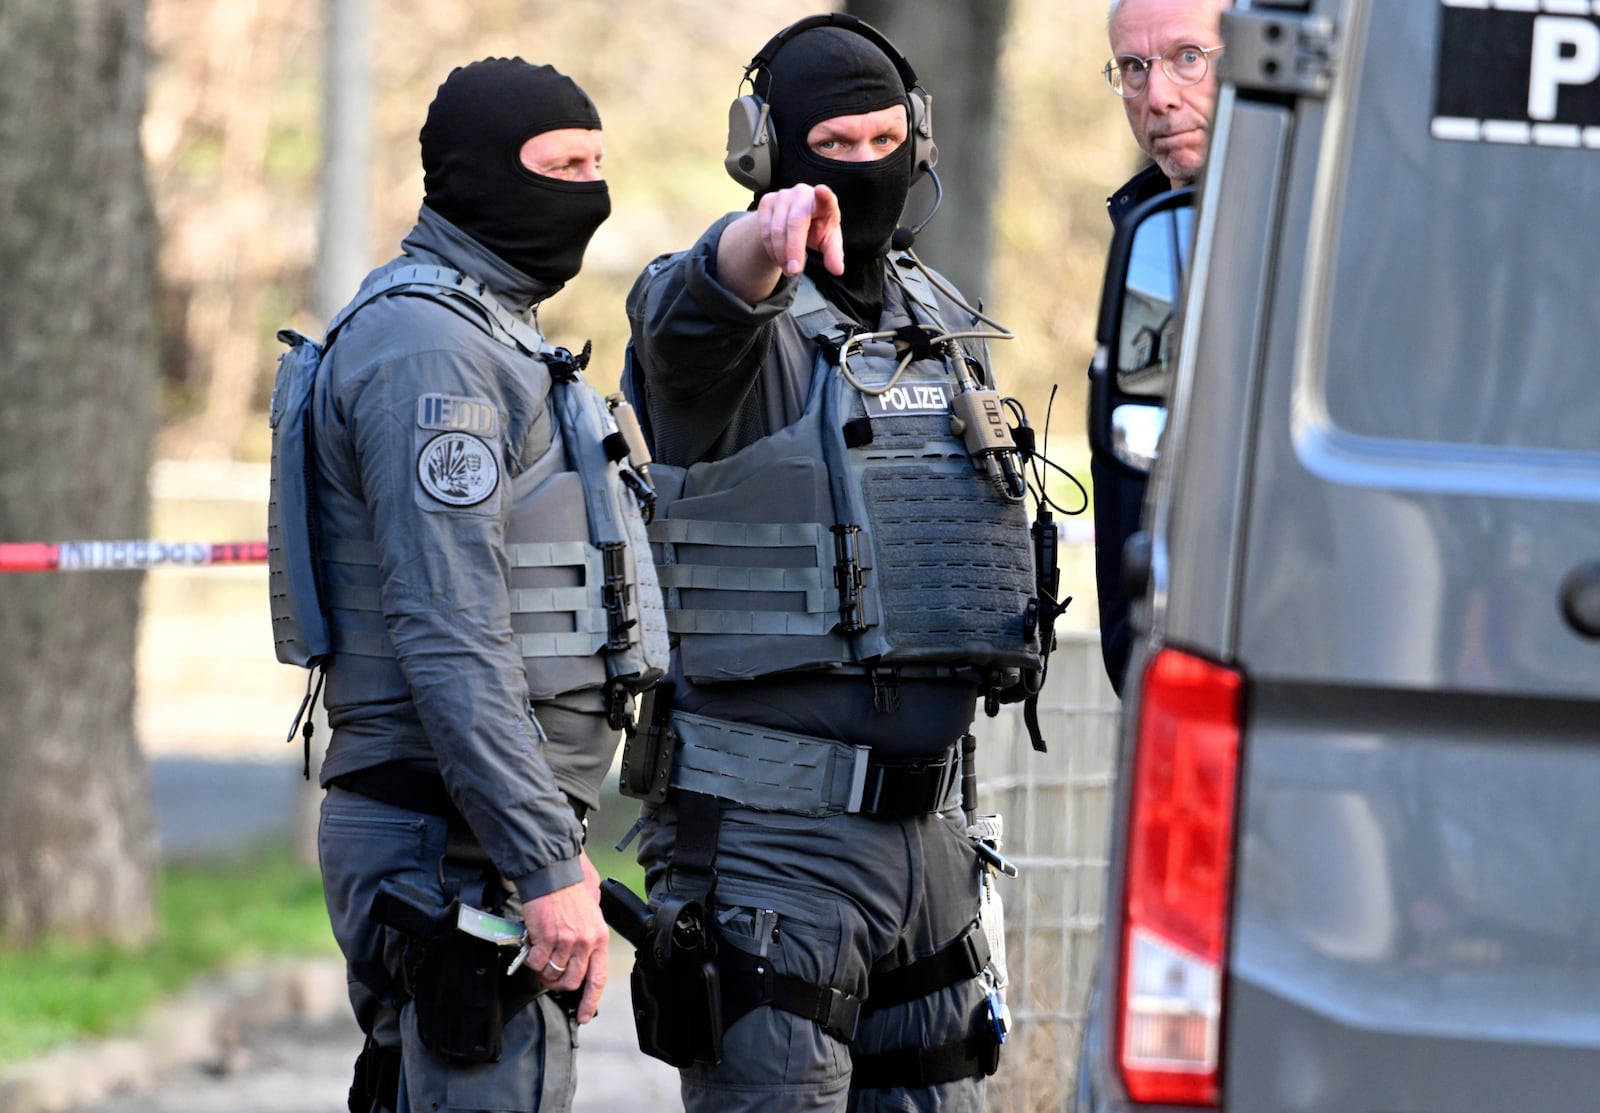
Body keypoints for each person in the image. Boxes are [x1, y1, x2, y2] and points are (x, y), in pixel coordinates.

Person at [617, 13, 1044, 1113]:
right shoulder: (722, 336)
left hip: (928, 849)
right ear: (763, 151)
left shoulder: (936, 318)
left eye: (881, 140)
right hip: (773, 858)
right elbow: (690, 314)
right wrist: (755, 247)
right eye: (831, 148)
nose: (861, 170)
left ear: (921, 137)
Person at [293, 58, 663, 1113]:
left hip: (471, 836)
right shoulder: (431, 352)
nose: (588, 194)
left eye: (597, 167)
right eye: (560, 168)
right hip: (450, 844)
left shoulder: (490, 329)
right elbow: (450, 632)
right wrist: (546, 864)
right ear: (473, 175)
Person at [1091, 0, 1230, 695]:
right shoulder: (1146, 238)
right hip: (1156, 674)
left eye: (1188, 58)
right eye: (1134, 68)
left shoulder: (1330, 237)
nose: (1159, 96)